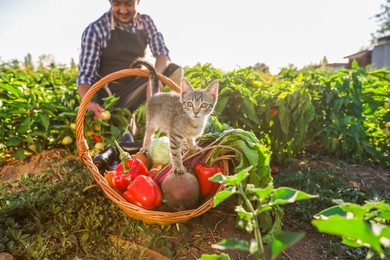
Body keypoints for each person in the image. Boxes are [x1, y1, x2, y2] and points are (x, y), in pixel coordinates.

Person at [77, 0, 183, 120]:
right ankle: (124, 120)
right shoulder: (96, 29)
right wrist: (88, 104)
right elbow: (85, 76)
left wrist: (154, 78)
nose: (123, 10)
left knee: (173, 70)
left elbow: (162, 54)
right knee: (123, 131)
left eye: (128, 4)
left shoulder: (145, 22)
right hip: (110, 97)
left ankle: (163, 120)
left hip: (135, 86)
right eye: (117, 4)